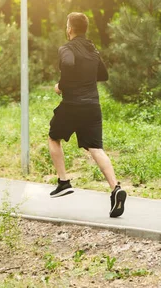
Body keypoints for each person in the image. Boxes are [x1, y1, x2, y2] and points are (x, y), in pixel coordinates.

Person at [48, 12, 127, 218]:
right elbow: (103, 75)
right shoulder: (93, 49)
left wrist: (61, 86)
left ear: (70, 28)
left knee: (53, 137)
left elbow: (67, 64)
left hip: (73, 104)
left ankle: (63, 181)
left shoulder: (66, 48)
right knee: (96, 148)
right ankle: (115, 188)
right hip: (93, 105)